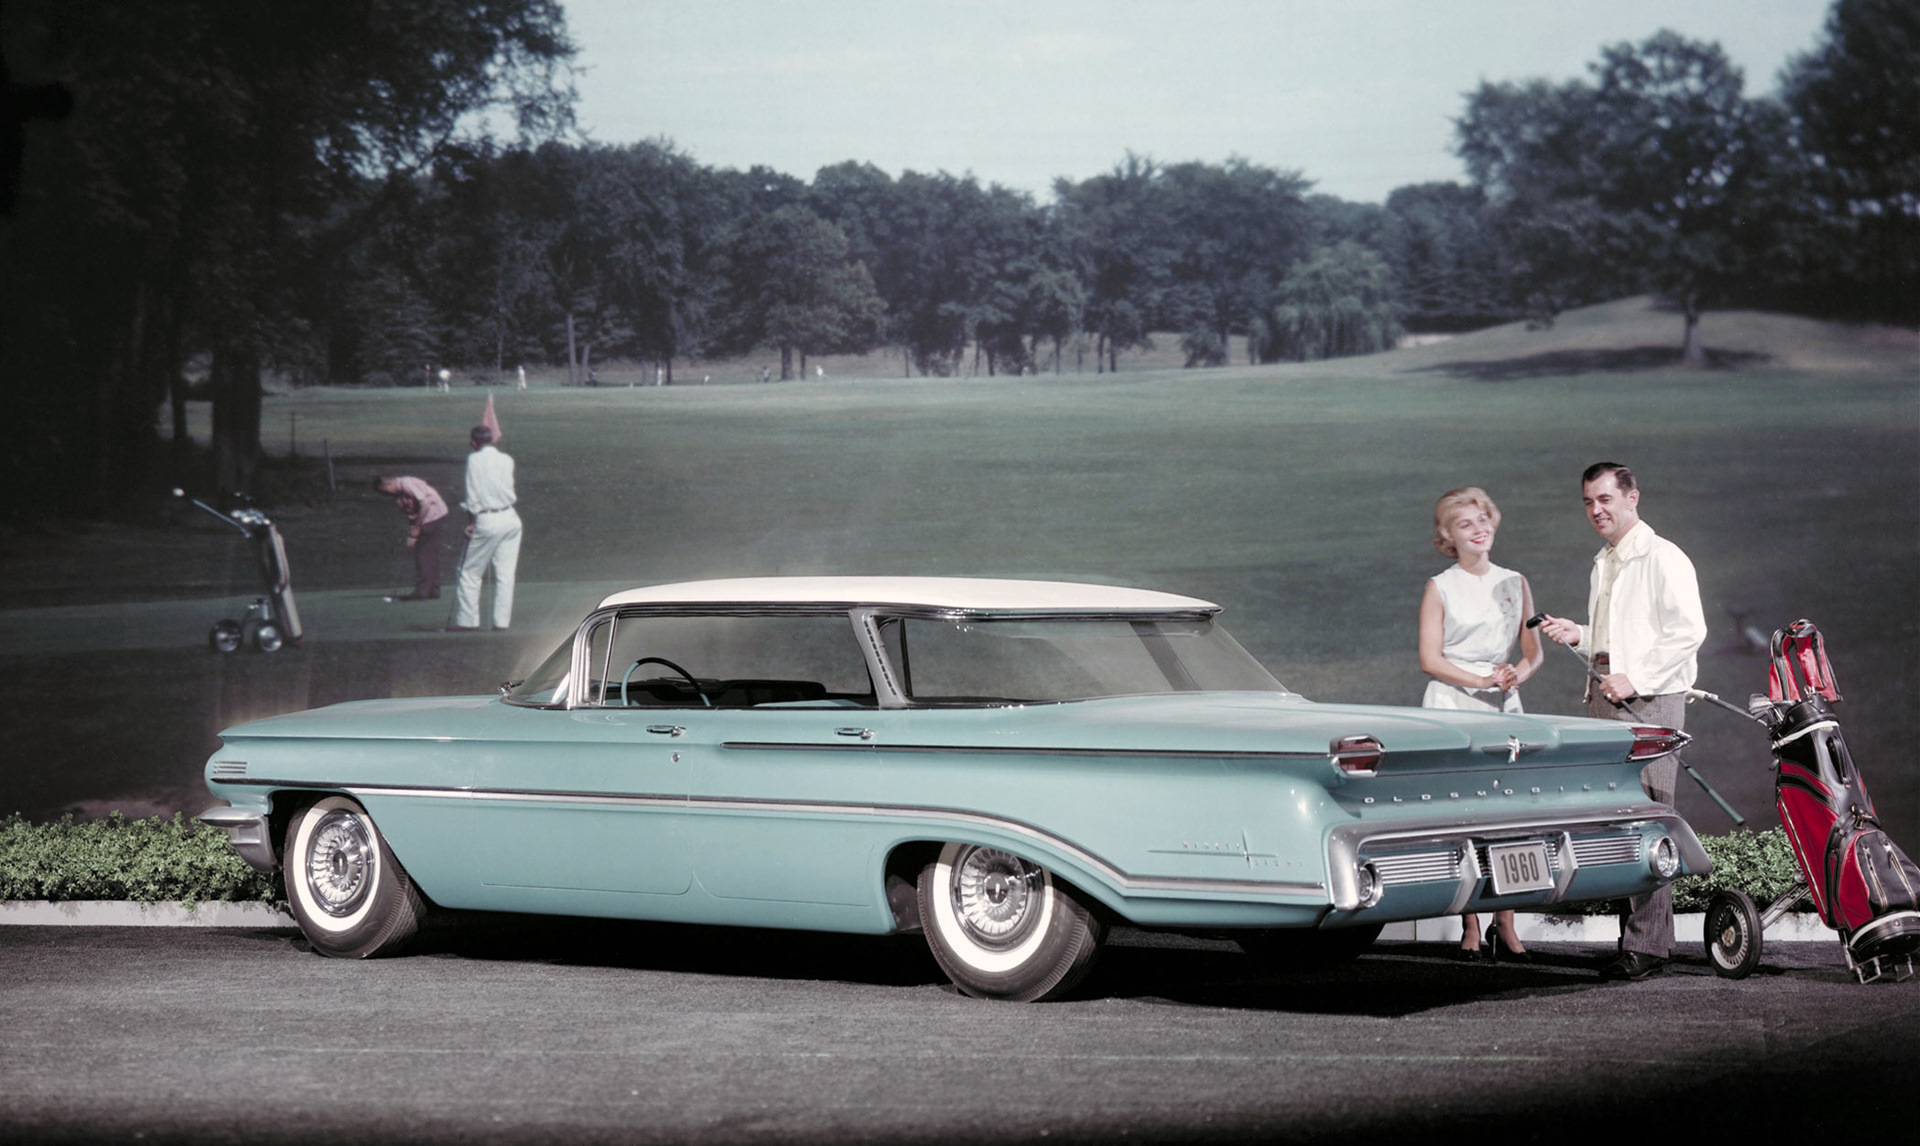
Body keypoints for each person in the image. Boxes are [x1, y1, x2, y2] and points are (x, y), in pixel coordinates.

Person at [1536, 462, 1706, 981]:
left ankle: (1649, 946)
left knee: (1650, 816)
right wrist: (1580, 635)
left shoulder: (1662, 556)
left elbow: (1687, 631)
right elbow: (1621, 636)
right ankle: (1637, 940)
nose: (1596, 510)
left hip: (1649, 700)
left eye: (1606, 499)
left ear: (1633, 498)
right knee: (1617, 819)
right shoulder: (1606, 561)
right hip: (1606, 695)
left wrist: (1637, 678)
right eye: (1588, 502)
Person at [1418, 487, 1543, 962]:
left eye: (1483, 519)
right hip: (1453, 707)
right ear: (1449, 536)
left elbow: (1533, 654)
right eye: (1466, 524)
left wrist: (1514, 675)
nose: (1479, 529)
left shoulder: (1516, 581)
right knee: (1463, 815)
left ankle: (1506, 923)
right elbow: (1429, 659)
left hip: (1504, 708)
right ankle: (1470, 924)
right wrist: (1480, 680)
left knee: (1511, 817)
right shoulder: (1440, 586)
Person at [451, 424, 521, 632]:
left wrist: (471, 522)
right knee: (506, 574)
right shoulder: (507, 459)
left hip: (487, 520)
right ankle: (501, 623)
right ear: (492, 440)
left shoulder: (473, 459)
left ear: (473, 443)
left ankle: (467, 622)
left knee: (469, 572)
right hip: (510, 517)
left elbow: (472, 494)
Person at [373, 475, 448, 600]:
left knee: (423, 555)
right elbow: (412, 513)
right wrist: (412, 532)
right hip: (427, 517)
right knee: (428, 554)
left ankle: (422, 592)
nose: (386, 495)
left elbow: (425, 506)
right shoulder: (398, 495)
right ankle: (433, 591)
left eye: (385, 492)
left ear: (388, 484)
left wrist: (416, 529)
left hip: (434, 514)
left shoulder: (406, 484)